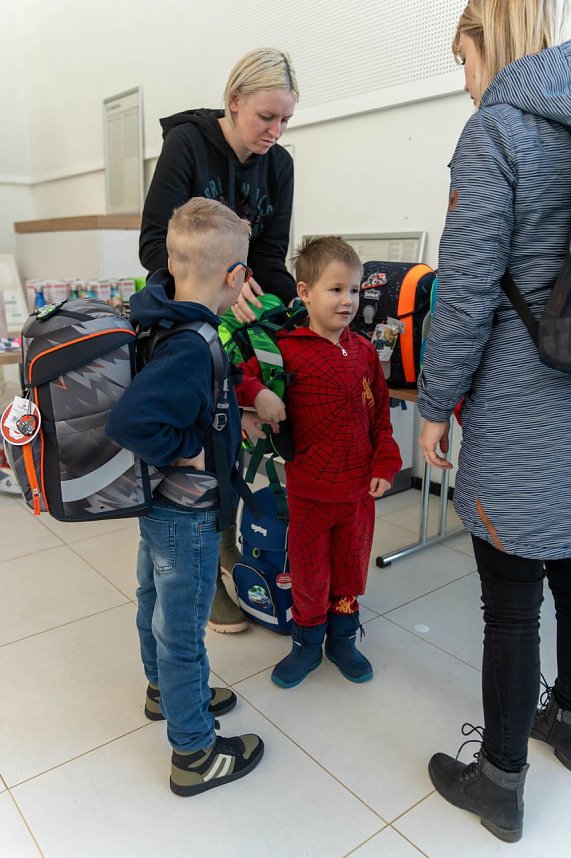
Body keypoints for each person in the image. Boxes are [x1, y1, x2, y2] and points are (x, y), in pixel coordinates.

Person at [417, 0, 571, 843]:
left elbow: (467, 292)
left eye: (461, 61)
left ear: (486, 46)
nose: (465, 82)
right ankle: (568, 725)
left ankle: (498, 781)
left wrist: (434, 407)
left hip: (522, 400)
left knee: (510, 603)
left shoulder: (498, 129)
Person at [106, 198, 264, 796]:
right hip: (187, 514)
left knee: (153, 602)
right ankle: (195, 752)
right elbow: (132, 422)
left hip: (159, 509)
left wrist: (231, 417)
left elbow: (186, 402)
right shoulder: (194, 343)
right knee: (183, 629)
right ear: (235, 276)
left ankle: (164, 692)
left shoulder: (161, 316)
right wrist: (190, 451)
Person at [139, 47, 300, 633]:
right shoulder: (188, 145)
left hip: (241, 299)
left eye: (285, 120)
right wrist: (221, 290)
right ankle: (209, 559)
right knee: (209, 436)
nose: (275, 132)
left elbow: (272, 260)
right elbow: (154, 246)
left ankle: (244, 537)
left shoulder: (278, 164)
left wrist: (296, 308)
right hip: (189, 309)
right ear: (234, 102)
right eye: (265, 117)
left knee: (256, 417)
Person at [236, 236, 402, 688]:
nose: (348, 300)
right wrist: (259, 397)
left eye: (354, 290)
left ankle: (343, 639)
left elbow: (380, 419)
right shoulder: (282, 349)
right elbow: (242, 380)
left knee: (349, 568)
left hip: (357, 495)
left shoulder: (366, 353)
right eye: (335, 290)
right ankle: (307, 643)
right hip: (308, 491)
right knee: (309, 572)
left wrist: (385, 465)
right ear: (304, 292)